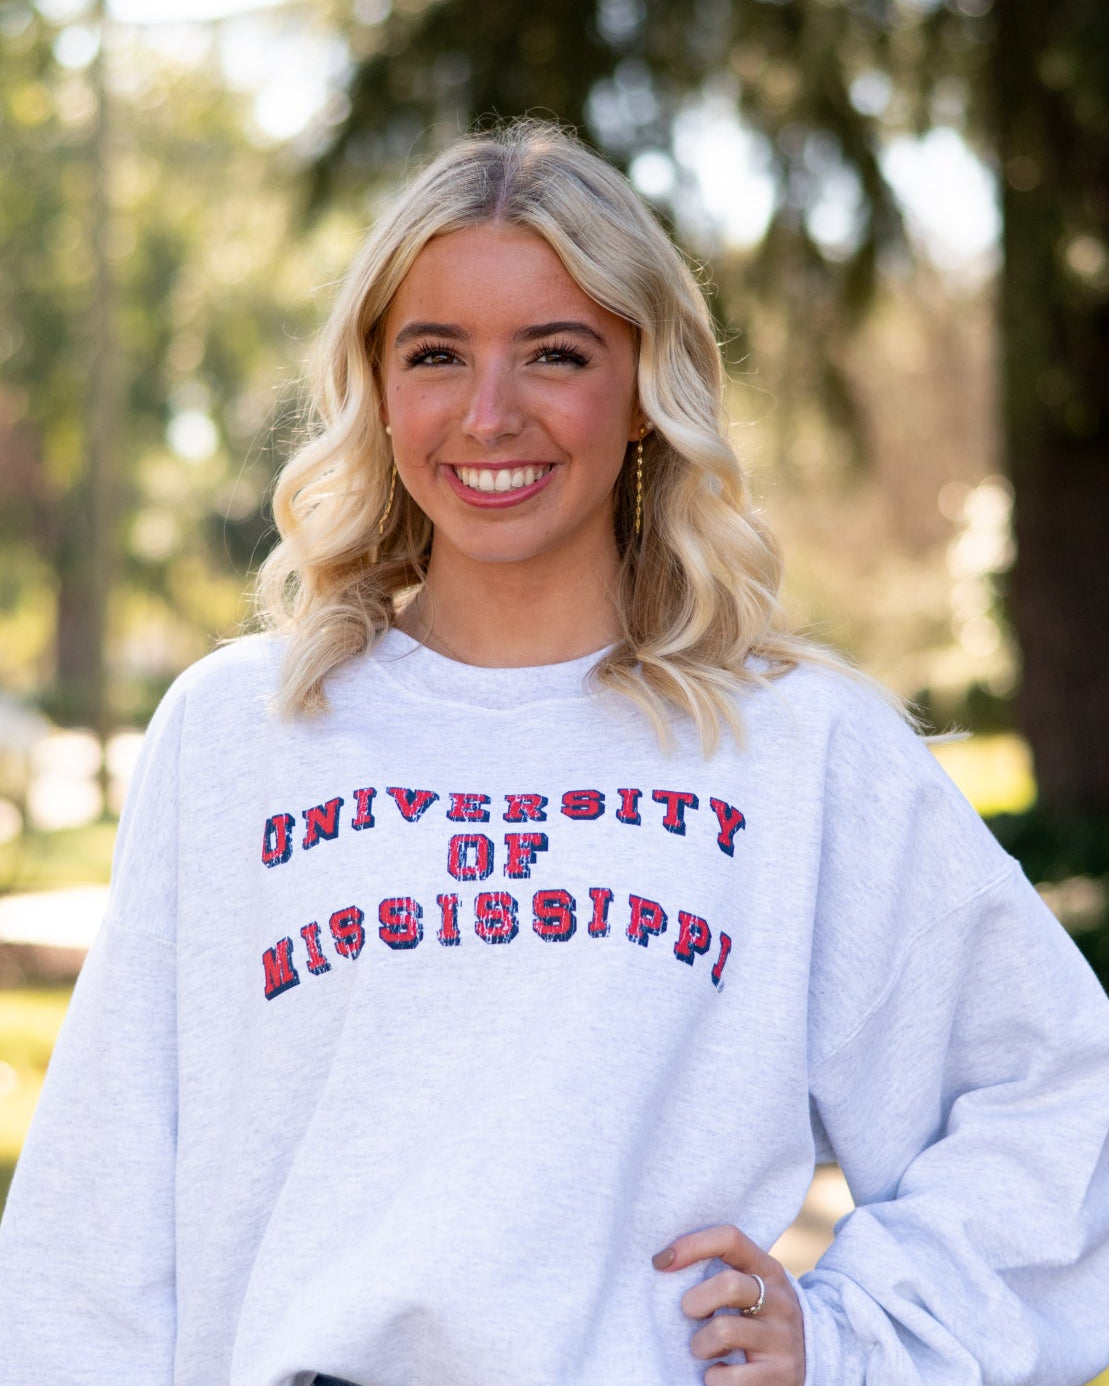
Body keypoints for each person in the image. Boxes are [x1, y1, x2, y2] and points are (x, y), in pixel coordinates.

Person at [0, 119, 1107, 1386]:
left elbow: (1060, 1100)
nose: (488, 413)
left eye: (554, 353)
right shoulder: (240, 733)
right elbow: (98, 1216)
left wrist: (859, 1339)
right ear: (378, 386)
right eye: (435, 355)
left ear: (642, 388)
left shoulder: (792, 749)